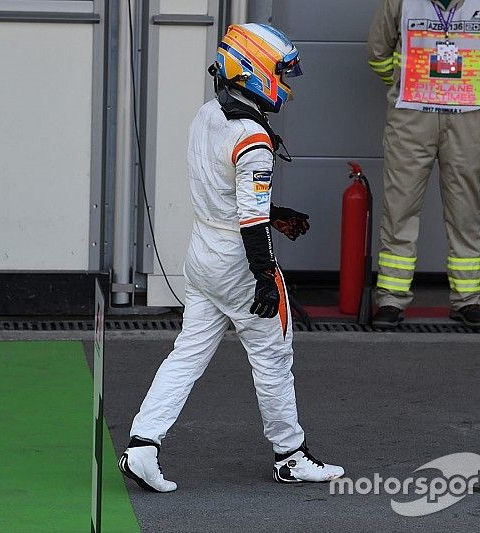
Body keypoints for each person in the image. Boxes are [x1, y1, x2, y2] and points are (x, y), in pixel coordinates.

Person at [117, 23, 344, 493]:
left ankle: (142, 445)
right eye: (283, 72)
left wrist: (273, 213)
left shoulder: (207, 115)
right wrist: (264, 276)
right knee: (272, 356)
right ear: (257, 70)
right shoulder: (253, 140)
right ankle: (290, 455)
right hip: (239, 261)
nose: (287, 82)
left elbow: (224, 193)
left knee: (186, 354)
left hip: (201, 253)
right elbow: (249, 218)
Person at [367, 0, 480, 329]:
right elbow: (377, 52)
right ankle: (391, 297)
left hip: (467, 117)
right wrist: (401, 83)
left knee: (465, 210)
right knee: (400, 207)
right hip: (411, 115)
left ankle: (467, 299)